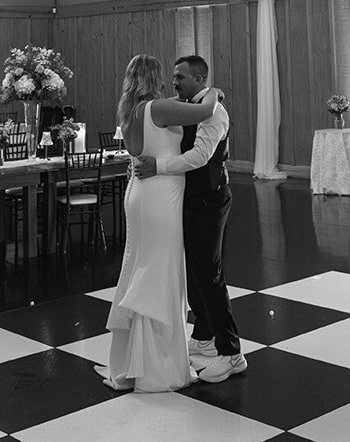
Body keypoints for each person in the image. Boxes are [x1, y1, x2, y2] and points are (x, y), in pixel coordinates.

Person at [102, 53, 222, 392]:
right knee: (161, 271)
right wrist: (215, 91)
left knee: (142, 266)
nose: (171, 81)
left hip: (140, 193)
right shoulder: (157, 108)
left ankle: (136, 361)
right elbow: (205, 110)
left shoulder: (130, 110)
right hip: (159, 197)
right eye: (165, 75)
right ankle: (158, 367)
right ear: (153, 77)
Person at [133, 53, 245, 382]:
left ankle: (231, 353)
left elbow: (200, 156)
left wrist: (159, 166)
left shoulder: (215, 112)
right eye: (173, 76)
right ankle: (205, 335)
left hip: (211, 198)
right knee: (193, 272)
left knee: (209, 274)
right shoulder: (186, 105)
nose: (174, 81)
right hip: (189, 198)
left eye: (180, 76)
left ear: (199, 79)